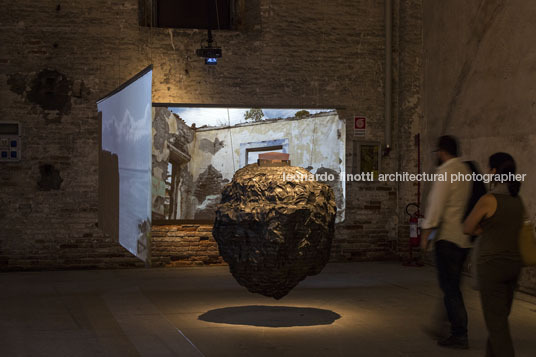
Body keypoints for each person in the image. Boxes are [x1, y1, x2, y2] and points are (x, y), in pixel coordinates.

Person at [463, 152, 524, 357]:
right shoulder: (518, 201)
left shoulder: (489, 200)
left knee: (497, 326)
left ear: (495, 171)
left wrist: (486, 229)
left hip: (492, 266)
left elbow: (467, 227)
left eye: (490, 168)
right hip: (514, 266)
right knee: (499, 320)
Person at [420, 135, 472, 349]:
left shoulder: (446, 172)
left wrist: (426, 232)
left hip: (448, 238)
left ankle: (459, 333)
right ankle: (441, 324)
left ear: (442, 152)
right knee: (452, 286)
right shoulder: (465, 171)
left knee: (450, 289)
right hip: (463, 239)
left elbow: (436, 205)